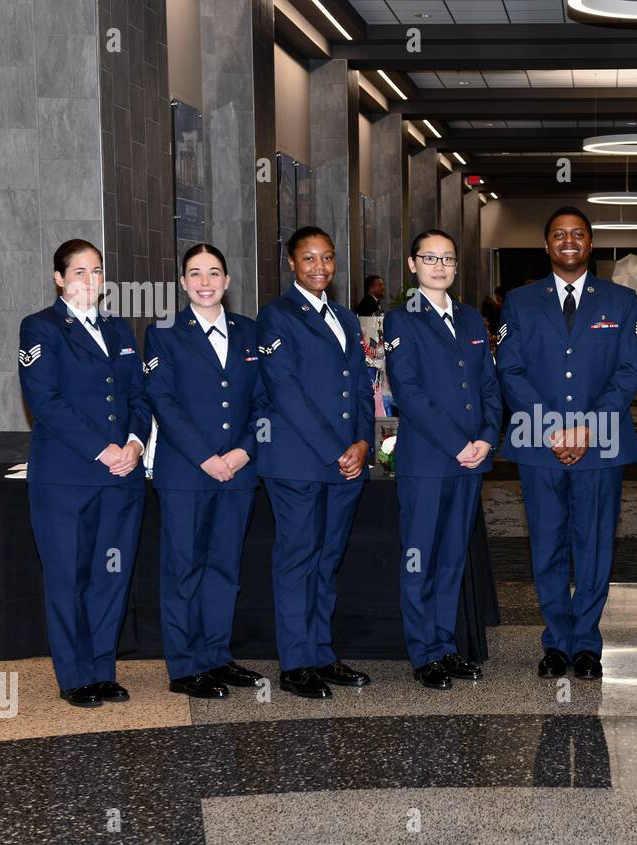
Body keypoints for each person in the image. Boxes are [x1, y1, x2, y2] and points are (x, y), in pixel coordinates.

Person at [496, 206, 637, 681]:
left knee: (595, 544)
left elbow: (628, 372)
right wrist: (552, 427)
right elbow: (510, 369)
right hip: (539, 442)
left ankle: (587, 645)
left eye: (577, 234)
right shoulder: (519, 301)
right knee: (548, 543)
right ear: (546, 245)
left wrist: (587, 427)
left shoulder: (621, 301)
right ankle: (556, 642)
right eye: (559, 234)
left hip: (600, 444)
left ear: (590, 243)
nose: (568, 241)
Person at [18, 239, 149, 707]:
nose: (90, 281)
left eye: (96, 272)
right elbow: (46, 402)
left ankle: (102, 669)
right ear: (59, 278)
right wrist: (103, 449)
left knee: (110, 577)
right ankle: (74, 676)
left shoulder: (119, 329)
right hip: (67, 481)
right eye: (79, 272)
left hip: (122, 479)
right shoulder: (40, 328)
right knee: (68, 578)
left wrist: (134, 443)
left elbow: (138, 396)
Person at [143, 244, 268, 699]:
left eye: (214, 272)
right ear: (182, 282)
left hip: (238, 472)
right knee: (183, 569)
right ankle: (186, 666)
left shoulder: (250, 332)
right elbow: (163, 400)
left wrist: (242, 453)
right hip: (186, 473)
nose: (205, 281)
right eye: (195, 273)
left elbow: (264, 402)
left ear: (228, 281)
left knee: (224, 569)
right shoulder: (164, 332)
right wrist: (206, 457)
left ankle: (217, 655)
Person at [255, 226, 374, 699]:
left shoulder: (345, 318)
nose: (320, 267)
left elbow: (362, 386)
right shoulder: (275, 317)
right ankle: (296, 662)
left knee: (327, 560)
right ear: (291, 263)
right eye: (309, 259)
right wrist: (336, 449)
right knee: (297, 560)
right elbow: (286, 394)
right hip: (299, 463)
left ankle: (322, 653)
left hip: (347, 462)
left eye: (327, 258)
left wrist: (363, 442)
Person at [384, 229, 501, 690]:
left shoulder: (472, 319)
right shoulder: (401, 320)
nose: (439, 266)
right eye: (429, 258)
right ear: (412, 265)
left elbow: (490, 386)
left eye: (447, 259)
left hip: (473, 459)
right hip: (430, 459)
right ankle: (422, 651)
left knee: (453, 555)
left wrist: (488, 438)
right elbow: (408, 393)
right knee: (420, 556)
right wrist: (458, 443)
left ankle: (445, 644)